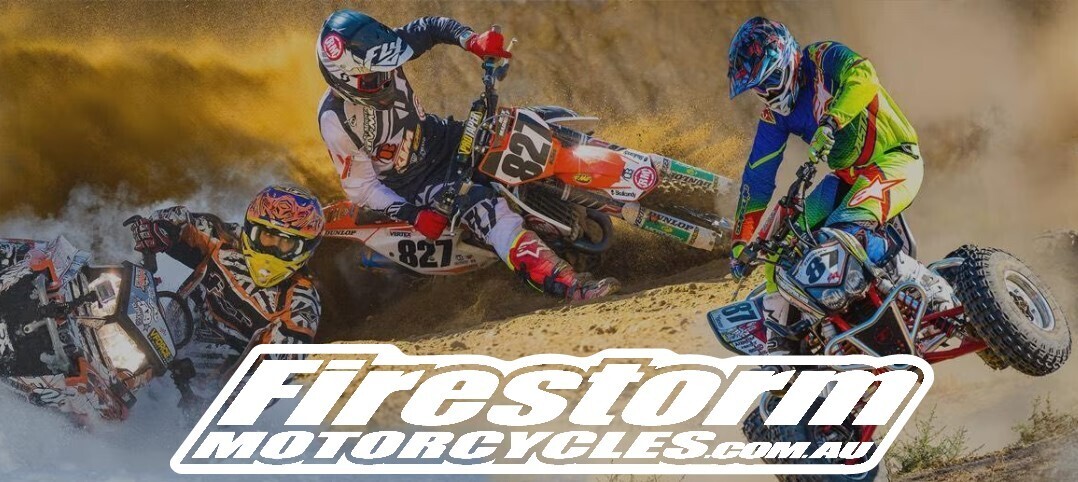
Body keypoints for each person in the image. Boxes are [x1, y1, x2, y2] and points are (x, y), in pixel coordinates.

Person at [315, 9, 618, 301]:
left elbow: (430, 28)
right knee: (486, 209)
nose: (386, 80)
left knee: (532, 127)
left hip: (445, 138)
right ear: (343, 79)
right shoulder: (335, 121)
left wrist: (471, 40)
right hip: (417, 185)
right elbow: (362, 187)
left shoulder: (379, 53)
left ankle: (623, 172)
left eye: (387, 69)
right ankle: (571, 287)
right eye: (373, 79)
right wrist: (413, 215)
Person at [726, 17, 953, 355]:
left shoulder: (823, 58)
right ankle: (783, 344)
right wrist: (741, 242)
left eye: (771, 80)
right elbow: (757, 177)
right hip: (847, 179)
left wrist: (833, 120)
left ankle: (928, 287)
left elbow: (865, 77)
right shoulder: (774, 116)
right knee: (779, 249)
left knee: (844, 232)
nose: (769, 93)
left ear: (789, 60)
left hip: (894, 158)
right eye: (759, 88)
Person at [128, 185, 325, 402]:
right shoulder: (225, 239)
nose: (273, 250)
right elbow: (180, 221)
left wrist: (219, 403)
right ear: (252, 229)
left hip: (199, 396)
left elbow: (276, 374)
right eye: (267, 236)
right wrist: (157, 229)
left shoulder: (301, 303)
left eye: (286, 243)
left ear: (304, 249)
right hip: (157, 339)